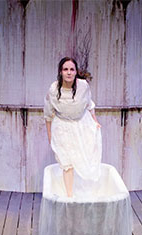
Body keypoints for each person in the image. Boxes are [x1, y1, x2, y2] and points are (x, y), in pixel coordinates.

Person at [44, 57, 102, 197]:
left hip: (81, 124)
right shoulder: (53, 89)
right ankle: (70, 196)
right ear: (60, 72)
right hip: (62, 127)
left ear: (76, 72)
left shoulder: (83, 86)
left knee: (84, 158)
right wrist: (50, 136)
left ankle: (85, 193)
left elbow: (89, 105)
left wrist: (95, 121)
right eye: (65, 69)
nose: (69, 72)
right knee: (66, 161)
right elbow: (48, 114)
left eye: (71, 69)